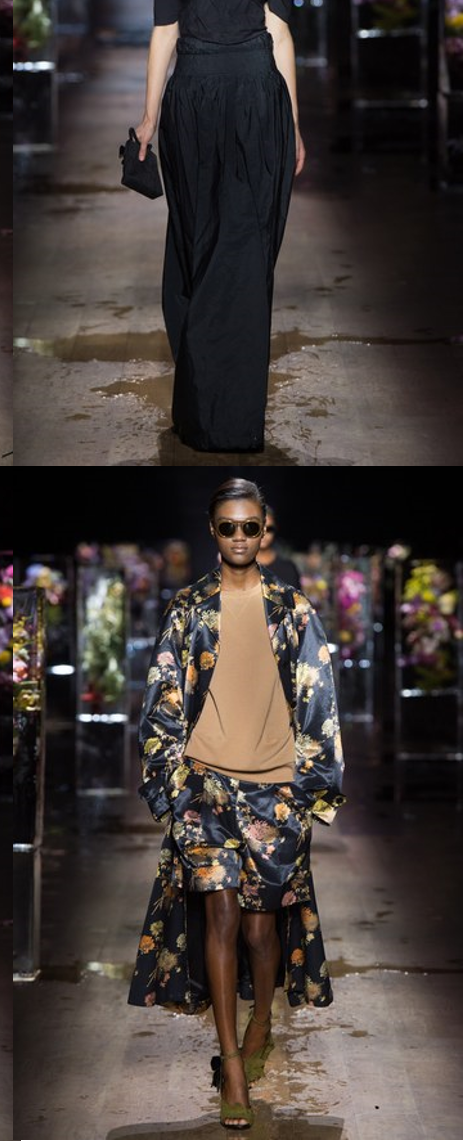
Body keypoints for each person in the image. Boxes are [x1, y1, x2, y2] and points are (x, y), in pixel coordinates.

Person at [128, 477, 344, 1129]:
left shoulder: (292, 609)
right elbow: (162, 695)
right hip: (206, 787)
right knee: (220, 916)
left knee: (259, 928)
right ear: (213, 531)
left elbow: (319, 697)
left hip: (275, 789)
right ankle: (230, 1064)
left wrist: (312, 791)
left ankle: (260, 1023)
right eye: (229, 527)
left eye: (251, 526)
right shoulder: (188, 607)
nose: (240, 537)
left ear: (264, 529)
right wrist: (169, 787)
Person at [136, 0, 302, 453]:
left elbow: (280, 29)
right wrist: (149, 115)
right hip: (194, 101)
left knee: (245, 253)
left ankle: (230, 420)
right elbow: (163, 27)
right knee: (197, 250)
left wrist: (294, 123)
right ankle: (200, 403)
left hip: (258, 97)